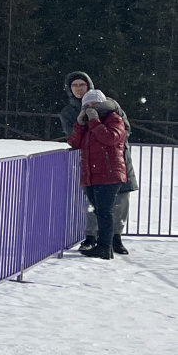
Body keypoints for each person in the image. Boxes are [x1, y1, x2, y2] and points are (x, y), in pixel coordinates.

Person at [58, 71, 131, 255]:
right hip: (91, 168)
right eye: (74, 85)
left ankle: (109, 243)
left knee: (112, 205)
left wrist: (94, 121)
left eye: (81, 85)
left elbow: (112, 137)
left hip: (111, 166)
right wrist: (81, 123)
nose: (78, 89)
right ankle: (95, 239)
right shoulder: (72, 113)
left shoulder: (113, 115)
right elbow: (74, 141)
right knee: (97, 208)